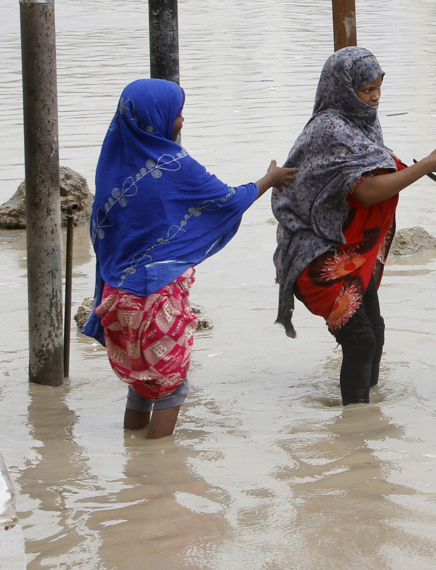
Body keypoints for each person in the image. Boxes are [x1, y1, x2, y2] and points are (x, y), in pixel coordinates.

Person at [82, 79, 297, 438]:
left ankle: (132, 458)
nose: (181, 121)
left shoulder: (112, 168)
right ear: (157, 117)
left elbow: (104, 236)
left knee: (140, 382)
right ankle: (156, 469)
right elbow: (226, 201)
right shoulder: (172, 164)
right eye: (177, 114)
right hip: (158, 298)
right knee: (171, 386)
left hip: (116, 297)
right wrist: (269, 179)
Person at [273, 47, 436, 405]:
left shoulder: (363, 122)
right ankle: (354, 423)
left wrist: (428, 164)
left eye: (378, 88)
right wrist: (424, 165)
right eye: (366, 90)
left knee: (374, 330)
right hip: (320, 255)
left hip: (350, 252)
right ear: (343, 89)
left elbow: (378, 169)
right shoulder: (330, 129)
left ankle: (363, 425)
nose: (375, 97)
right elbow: (365, 193)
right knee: (359, 339)